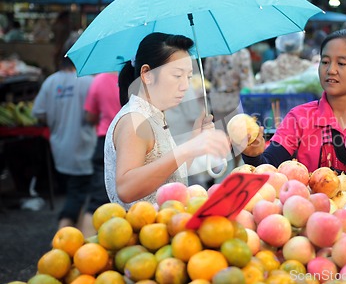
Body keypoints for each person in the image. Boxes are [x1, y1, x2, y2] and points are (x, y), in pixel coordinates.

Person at [105, 33, 230, 209]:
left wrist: (195, 139)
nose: (185, 86)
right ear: (147, 74)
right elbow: (126, 189)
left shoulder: (153, 115)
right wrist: (188, 148)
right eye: (177, 75)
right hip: (145, 231)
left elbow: (170, 176)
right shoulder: (135, 120)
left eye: (188, 77)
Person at [242, 29, 346, 183]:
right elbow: (268, 166)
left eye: (341, 63)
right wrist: (253, 155)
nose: (331, 70)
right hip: (313, 207)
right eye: (325, 62)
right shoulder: (299, 118)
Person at [32, 45, 96, 230]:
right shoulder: (88, 82)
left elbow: (39, 112)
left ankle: (73, 235)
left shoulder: (50, 82)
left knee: (75, 192)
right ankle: (64, 236)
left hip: (60, 150)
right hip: (84, 148)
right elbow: (94, 116)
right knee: (82, 196)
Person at [80, 72, 121, 237]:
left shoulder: (99, 80)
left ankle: (84, 249)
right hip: (132, 139)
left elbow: (90, 116)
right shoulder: (138, 74)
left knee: (97, 199)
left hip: (105, 141)